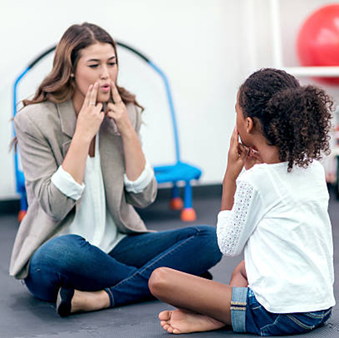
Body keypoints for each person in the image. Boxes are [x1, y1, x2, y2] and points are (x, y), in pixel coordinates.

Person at [10, 22, 222, 317]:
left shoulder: (126, 111)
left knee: (209, 239)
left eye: (111, 63)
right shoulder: (34, 120)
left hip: (117, 245)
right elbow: (54, 206)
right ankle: (171, 281)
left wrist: (125, 128)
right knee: (61, 252)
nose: (106, 74)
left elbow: (144, 197)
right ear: (70, 69)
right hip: (59, 249)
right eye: (94, 65)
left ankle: (103, 296)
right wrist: (83, 133)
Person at [149, 68, 336, 336]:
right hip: (318, 308)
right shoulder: (313, 169)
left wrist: (231, 177)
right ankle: (223, 315)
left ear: (247, 124)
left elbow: (228, 244)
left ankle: (220, 317)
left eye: (236, 110)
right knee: (243, 270)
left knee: (160, 279)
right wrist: (250, 172)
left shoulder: (255, 181)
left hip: (278, 315)